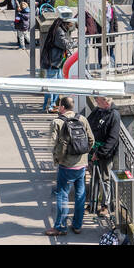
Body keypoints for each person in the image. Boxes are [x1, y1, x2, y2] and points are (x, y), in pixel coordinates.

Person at [45, 96, 94, 237]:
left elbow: (53, 144)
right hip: (82, 166)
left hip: (66, 166)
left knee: (62, 195)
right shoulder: (82, 119)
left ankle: (60, 227)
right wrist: (83, 155)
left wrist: (57, 159)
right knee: (80, 195)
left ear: (61, 107)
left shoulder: (57, 122)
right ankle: (77, 225)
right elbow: (91, 140)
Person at [87, 96, 122, 216]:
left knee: (105, 178)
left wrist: (100, 153)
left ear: (106, 102)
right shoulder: (97, 110)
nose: (96, 100)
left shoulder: (114, 115)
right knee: (94, 177)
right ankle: (92, 203)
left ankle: (105, 205)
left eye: (98, 99)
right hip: (93, 150)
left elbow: (113, 138)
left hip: (105, 153)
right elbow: (88, 123)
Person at [39, 13, 73, 112]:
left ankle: (52, 105)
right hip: (52, 63)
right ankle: (49, 106)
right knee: (51, 86)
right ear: (66, 23)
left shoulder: (57, 29)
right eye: (70, 23)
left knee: (57, 84)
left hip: (54, 62)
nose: (72, 24)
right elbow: (65, 44)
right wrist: (76, 42)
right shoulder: (60, 32)